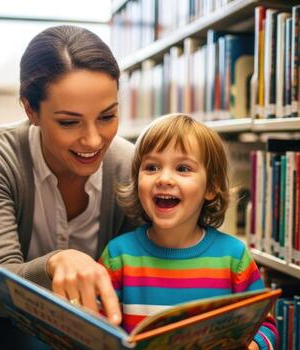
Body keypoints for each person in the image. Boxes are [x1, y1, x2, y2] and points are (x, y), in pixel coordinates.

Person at [0, 25, 135, 349]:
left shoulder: (129, 165)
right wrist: (55, 262)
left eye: (107, 117)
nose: (94, 140)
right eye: (69, 122)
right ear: (30, 110)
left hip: (87, 320)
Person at [99, 114, 277, 350]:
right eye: (151, 167)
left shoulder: (233, 258)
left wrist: (254, 347)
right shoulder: (118, 256)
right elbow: (96, 326)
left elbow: (265, 325)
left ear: (211, 187)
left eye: (182, 168)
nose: (164, 178)